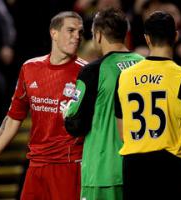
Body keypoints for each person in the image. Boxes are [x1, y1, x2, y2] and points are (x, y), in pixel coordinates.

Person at [0, 11, 86, 200]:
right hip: (36, 167)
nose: (77, 36)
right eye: (70, 30)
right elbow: (14, 117)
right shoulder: (29, 68)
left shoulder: (86, 72)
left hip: (69, 165)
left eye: (80, 32)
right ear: (53, 33)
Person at [115, 11, 181, 200]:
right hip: (169, 167)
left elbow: (123, 134)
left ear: (147, 39)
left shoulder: (124, 77)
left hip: (134, 168)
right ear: (175, 36)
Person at [63, 7, 144, 200]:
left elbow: (75, 123)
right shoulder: (144, 64)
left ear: (98, 35)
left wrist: (66, 112)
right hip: (140, 169)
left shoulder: (93, 71)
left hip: (103, 171)